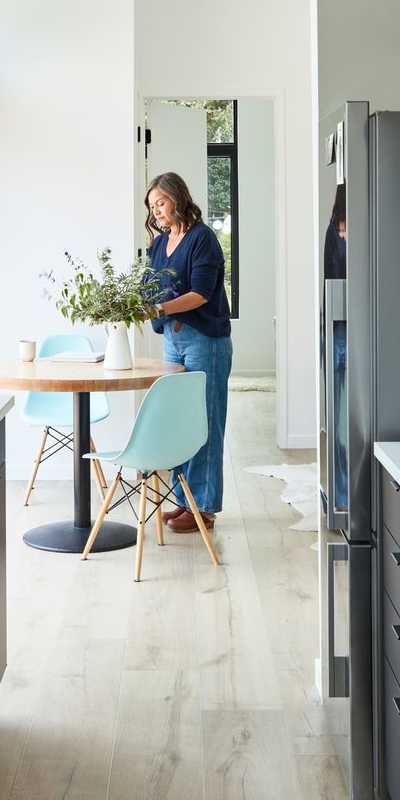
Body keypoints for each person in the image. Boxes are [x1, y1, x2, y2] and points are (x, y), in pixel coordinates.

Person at [145, 171, 232, 532]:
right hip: (172, 340)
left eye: (161, 203)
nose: (157, 211)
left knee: (206, 421)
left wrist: (159, 309)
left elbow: (200, 294)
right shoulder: (159, 243)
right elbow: (149, 285)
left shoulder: (202, 239)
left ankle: (205, 507)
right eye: (152, 206)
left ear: (178, 198)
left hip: (204, 341)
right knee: (180, 421)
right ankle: (185, 502)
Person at [324, 185, 348, 509]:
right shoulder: (332, 230)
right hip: (337, 330)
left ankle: (350, 495)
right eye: (341, 229)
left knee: (350, 424)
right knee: (338, 425)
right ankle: (342, 497)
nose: (343, 235)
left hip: (360, 331)